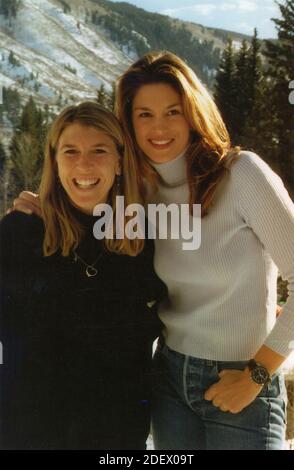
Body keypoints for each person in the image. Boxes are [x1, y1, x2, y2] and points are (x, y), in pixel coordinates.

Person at [11, 51, 294, 450]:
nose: (158, 127)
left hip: (242, 379)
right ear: (128, 121)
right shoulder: (139, 193)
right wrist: (44, 207)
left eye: (172, 111)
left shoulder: (242, 174)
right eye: (144, 114)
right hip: (169, 380)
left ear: (193, 112)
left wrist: (257, 376)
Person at [0, 101, 166, 450]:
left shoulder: (145, 240)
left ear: (120, 161)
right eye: (70, 151)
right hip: (29, 432)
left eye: (99, 150)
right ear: (55, 160)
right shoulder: (20, 232)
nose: (84, 164)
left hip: (116, 435)